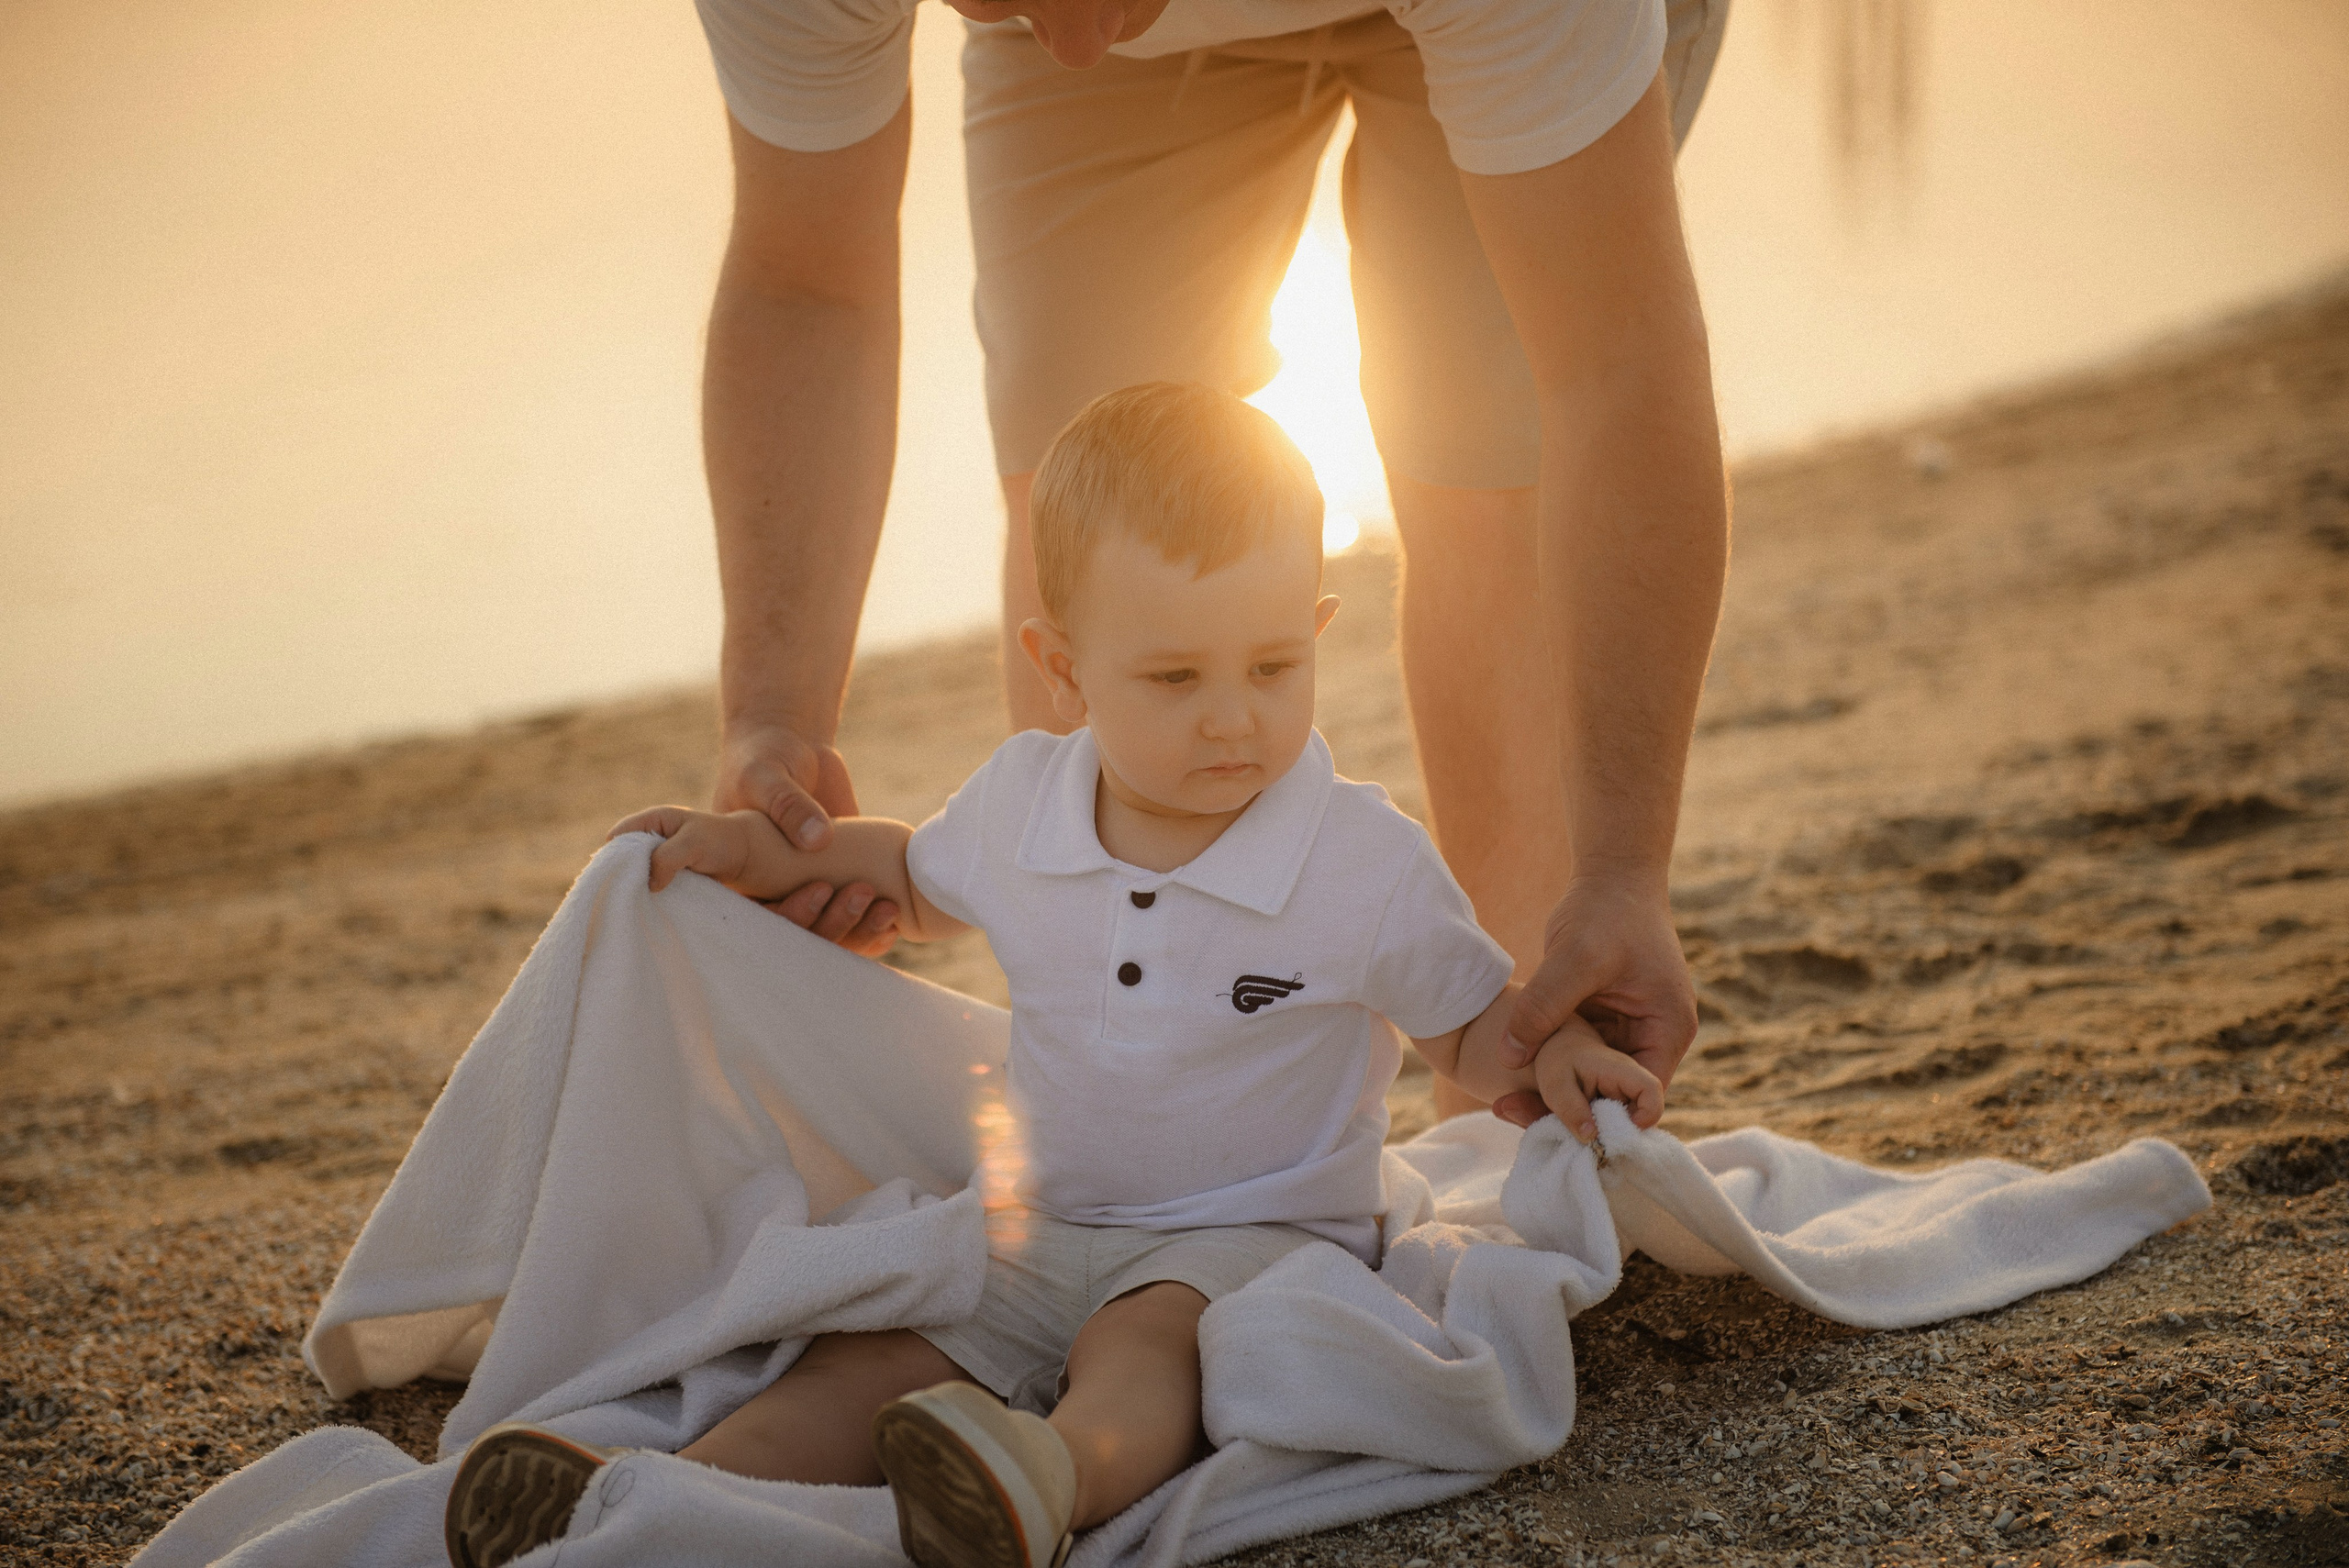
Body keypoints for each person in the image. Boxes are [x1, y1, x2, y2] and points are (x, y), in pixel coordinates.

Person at [440, 385, 1663, 1568]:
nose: (1234, 718)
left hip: (1251, 1232)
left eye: (1273, 667)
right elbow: (905, 877)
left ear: (1317, 633)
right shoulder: (1027, 802)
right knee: (873, 1361)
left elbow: (1469, 1024)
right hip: (1043, 1226)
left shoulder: (1360, 860)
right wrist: (758, 852)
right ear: (1064, 666)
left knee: (1149, 1350)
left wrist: (1554, 1049)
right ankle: (646, 1496)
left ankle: (1043, 1482)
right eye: (1176, 679)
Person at [691, 0, 1733, 1123]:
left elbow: (1611, 363)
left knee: (1490, 461)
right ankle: (1142, 1145)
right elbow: (808, 285)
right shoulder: (1061, 29)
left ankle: (1511, 1106)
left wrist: (1624, 871)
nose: (1076, 41)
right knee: (1089, 506)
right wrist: (771, 726)